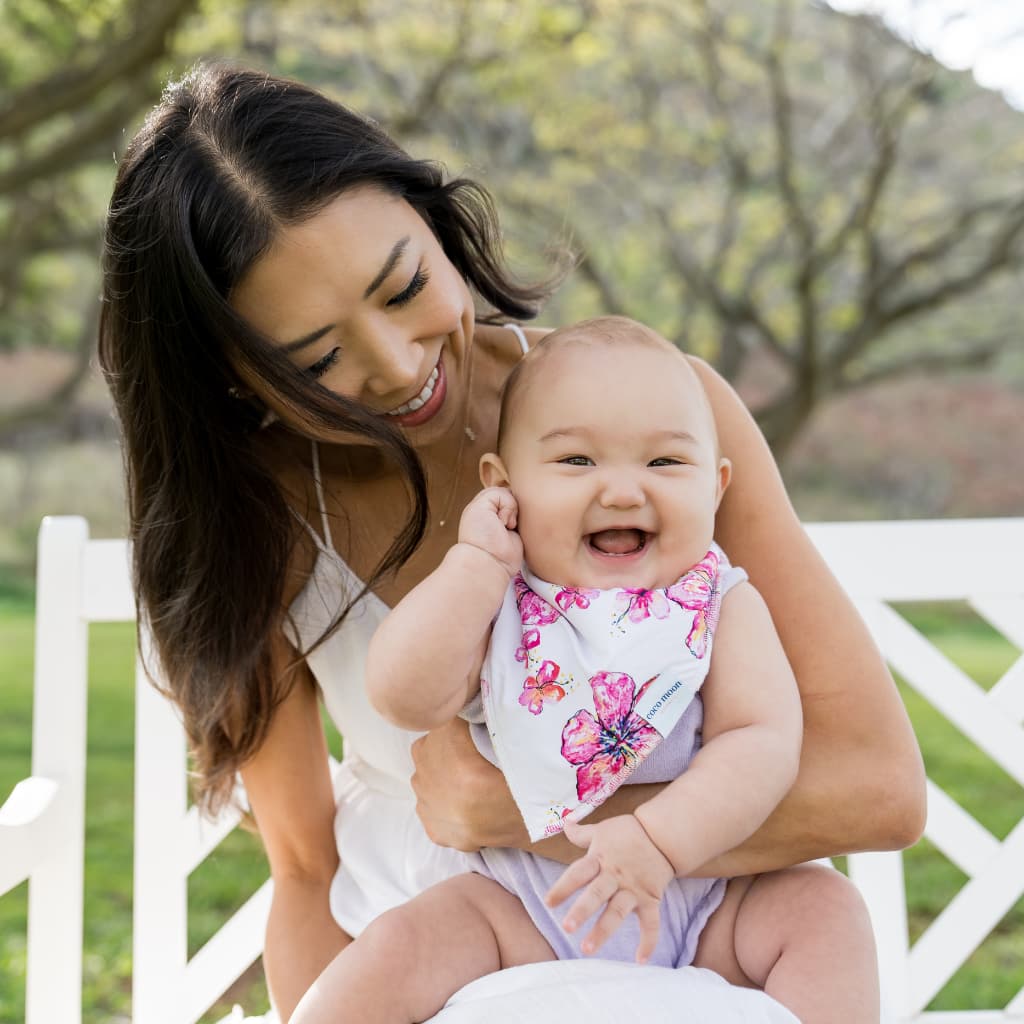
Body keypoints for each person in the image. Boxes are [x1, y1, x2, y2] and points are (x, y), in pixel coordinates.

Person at [98, 62, 926, 1023]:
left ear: (439, 225)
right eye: (316, 359)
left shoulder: (655, 420)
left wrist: (524, 818)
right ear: (234, 376)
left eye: (406, 286)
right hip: (457, 947)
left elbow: (879, 792)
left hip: (699, 943)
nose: (399, 367)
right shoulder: (265, 513)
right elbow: (305, 870)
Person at [287, 317, 879, 1024]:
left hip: (709, 902)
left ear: (717, 488)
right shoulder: (500, 597)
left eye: (664, 464)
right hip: (525, 904)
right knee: (400, 946)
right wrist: (475, 566)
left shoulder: (719, 601)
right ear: (503, 487)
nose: (624, 491)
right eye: (576, 463)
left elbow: (762, 741)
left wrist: (661, 840)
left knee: (826, 910)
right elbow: (404, 696)